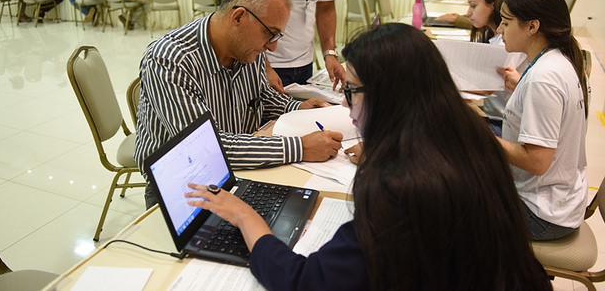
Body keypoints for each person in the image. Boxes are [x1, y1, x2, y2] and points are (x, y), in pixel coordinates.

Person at [185, 23, 553, 290]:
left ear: (387, 97)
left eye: (353, 91)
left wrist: (247, 218)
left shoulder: (400, 187)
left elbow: (305, 283)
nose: (347, 106)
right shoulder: (469, 136)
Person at [134, 0, 343, 209]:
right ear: (239, 17)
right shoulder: (171, 59)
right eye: (269, 33)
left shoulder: (246, 48)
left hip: (239, 170)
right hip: (183, 183)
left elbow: (261, 95)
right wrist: (300, 147)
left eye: (277, 36)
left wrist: (296, 107)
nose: (272, 46)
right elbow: (207, 148)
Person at [496, 0, 588, 241]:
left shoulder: (543, 79)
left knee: (446, 205)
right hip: (559, 201)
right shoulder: (558, 61)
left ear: (532, 26)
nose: (499, 30)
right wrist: (521, 85)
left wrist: (483, 137)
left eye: (505, 22)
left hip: (541, 214)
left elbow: (537, 162)